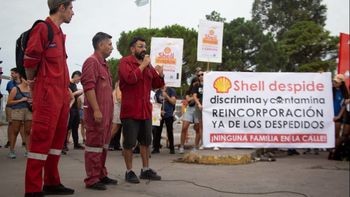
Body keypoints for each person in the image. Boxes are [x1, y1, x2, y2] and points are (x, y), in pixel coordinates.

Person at [23, 1, 75, 196]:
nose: (73, 13)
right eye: (70, 8)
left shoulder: (60, 34)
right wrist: (32, 84)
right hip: (46, 96)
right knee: (40, 140)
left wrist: (66, 89)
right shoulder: (42, 29)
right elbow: (29, 60)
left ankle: (52, 182)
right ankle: (33, 189)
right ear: (61, 7)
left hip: (61, 96)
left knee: (56, 142)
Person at [118, 37, 164, 183]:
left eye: (145, 46)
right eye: (140, 46)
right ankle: (129, 171)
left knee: (145, 142)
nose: (144, 49)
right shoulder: (125, 62)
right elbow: (130, 79)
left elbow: (156, 84)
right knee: (129, 143)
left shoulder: (148, 65)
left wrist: (160, 74)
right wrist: (143, 66)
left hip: (145, 110)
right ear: (132, 49)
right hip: (131, 110)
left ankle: (145, 170)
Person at [81, 32, 117, 190]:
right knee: (94, 145)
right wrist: (96, 110)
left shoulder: (104, 64)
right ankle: (92, 179)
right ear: (100, 45)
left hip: (107, 114)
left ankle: (101, 174)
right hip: (97, 113)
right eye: (109, 44)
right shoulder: (91, 62)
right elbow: (88, 87)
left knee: (103, 145)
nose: (112, 47)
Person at [6, 74, 32, 159]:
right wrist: (21, 100)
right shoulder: (15, 88)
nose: (28, 81)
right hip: (17, 111)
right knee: (15, 130)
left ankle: (27, 151)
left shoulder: (31, 89)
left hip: (28, 111)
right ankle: (12, 151)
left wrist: (32, 101)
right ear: (22, 79)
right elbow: (9, 102)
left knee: (28, 131)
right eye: (27, 79)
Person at [152, 85, 176, 154]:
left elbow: (173, 102)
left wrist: (167, 96)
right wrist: (159, 111)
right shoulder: (157, 92)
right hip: (160, 114)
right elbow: (156, 104)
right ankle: (156, 148)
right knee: (157, 131)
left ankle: (172, 148)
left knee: (169, 131)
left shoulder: (171, 90)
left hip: (169, 114)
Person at [5, 68, 25, 149]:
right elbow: (11, 95)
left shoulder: (24, 83)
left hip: (21, 106)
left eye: (13, 73)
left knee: (22, 124)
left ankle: (24, 141)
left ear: (18, 74)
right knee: (10, 123)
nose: (11, 75)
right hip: (11, 107)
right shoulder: (10, 83)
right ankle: (9, 141)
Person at [329, 74, 349, 160]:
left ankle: (334, 151)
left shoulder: (344, 93)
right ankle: (331, 151)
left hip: (337, 116)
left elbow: (344, 106)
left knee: (336, 135)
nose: (334, 83)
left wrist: (338, 116)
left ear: (341, 83)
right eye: (333, 81)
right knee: (330, 134)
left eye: (336, 82)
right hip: (328, 116)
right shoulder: (330, 90)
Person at [179, 77, 200, 154]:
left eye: (197, 82)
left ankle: (196, 146)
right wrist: (195, 97)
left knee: (198, 128)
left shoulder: (201, 89)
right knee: (184, 127)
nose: (196, 83)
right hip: (190, 109)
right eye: (194, 82)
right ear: (192, 83)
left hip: (198, 109)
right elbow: (188, 100)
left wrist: (194, 98)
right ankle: (181, 146)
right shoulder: (189, 91)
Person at [65, 70, 84, 150]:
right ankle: (63, 144)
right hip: (70, 108)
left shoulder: (74, 85)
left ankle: (76, 144)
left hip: (75, 108)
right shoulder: (68, 84)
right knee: (68, 127)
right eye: (79, 79)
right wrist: (78, 92)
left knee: (75, 127)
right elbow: (69, 95)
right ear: (75, 76)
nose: (79, 81)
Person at [109, 81, 123, 151]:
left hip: (119, 109)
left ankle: (115, 144)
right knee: (115, 128)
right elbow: (119, 98)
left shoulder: (118, 88)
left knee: (118, 128)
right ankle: (107, 142)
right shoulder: (119, 87)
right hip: (118, 109)